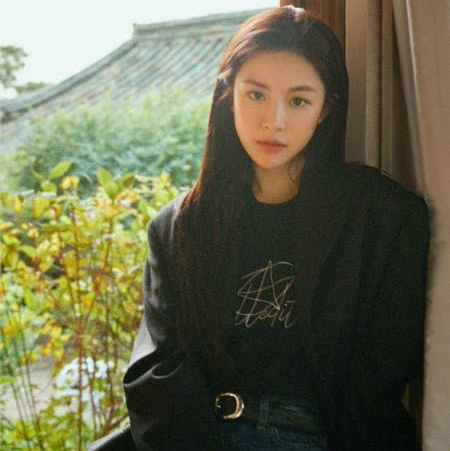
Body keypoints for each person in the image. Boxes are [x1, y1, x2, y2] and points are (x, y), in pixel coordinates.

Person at [121, 6, 430, 451]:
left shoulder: (383, 219)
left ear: (326, 109)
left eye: (298, 100)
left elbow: (382, 371)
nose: (274, 120)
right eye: (256, 95)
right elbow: (158, 373)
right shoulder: (179, 227)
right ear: (228, 96)